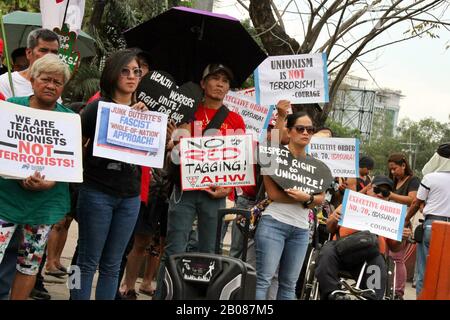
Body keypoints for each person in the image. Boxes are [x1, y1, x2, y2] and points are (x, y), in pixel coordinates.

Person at [155, 63, 246, 299]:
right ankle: (164, 295)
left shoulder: (235, 120)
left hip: (215, 194)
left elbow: (240, 159)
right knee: (175, 249)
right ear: (203, 84)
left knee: (209, 253)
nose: (220, 84)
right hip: (184, 190)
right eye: (215, 79)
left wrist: (227, 188)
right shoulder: (186, 112)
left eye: (225, 81)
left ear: (229, 88)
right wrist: (174, 143)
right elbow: (172, 155)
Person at [70, 49, 148, 300]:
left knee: (113, 264)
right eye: (125, 71)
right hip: (96, 192)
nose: (131, 76)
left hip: (130, 197)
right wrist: (80, 179)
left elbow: (152, 153)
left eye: (136, 71)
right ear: (113, 74)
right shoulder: (96, 108)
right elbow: (74, 147)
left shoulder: (145, 113)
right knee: (85, 260)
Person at [0, 54, 72, 300]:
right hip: (5, 200)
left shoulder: (69, 119)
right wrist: (16, 174)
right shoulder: (10, 107)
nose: (51, 85)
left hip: (44, 206)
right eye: (45, 79)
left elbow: (69, 163)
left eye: (58, 81)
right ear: (32, 80)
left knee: (29, 264)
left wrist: (50, 182)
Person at [255, 112, 325, 300]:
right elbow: (273, 194)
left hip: (301, 230)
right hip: (273, 224)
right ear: (289, 131)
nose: (305, 133)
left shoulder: (317, 166)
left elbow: (321, 199)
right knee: (263, 280)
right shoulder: (273, 156)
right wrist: (306, 199)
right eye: (300, 128)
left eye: (310, 129)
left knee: (289, 285)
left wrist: (308, 198)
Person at [315, 176, 411, 300]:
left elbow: (395, 247)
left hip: (371, 255)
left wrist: (401, 237)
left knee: (378, 262)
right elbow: (329, 228)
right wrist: (334, 218)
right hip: (340, 247)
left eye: (385, 192)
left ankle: (371, 297)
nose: (381, 194)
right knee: (327, 253)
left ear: (389, 196)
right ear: (369, 189)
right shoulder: (351, 203)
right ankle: (333, 294)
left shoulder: (392, 216)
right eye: (377, 190)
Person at [404, 142, 450, 296]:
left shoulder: (430, 178)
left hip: (432, 226)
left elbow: (417, 203)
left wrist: (405, 220)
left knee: (424, 269)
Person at [386, 153, 420, 299]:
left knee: (397, 258)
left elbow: (412, 200)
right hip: (388, 222)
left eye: (395, 169)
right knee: (386, 256)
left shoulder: (413, 180)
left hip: (403, 223)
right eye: (391, 169)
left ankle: (398, 292)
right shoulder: (393, 181)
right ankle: (388, 287)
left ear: (404, 166)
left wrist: (391, 195)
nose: (393, 172)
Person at [0, 29, 59, 99]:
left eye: (54, 52)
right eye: (43, 50)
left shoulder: (56, 85)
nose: (49, 56)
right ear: (29, 53)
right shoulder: (6, 81)